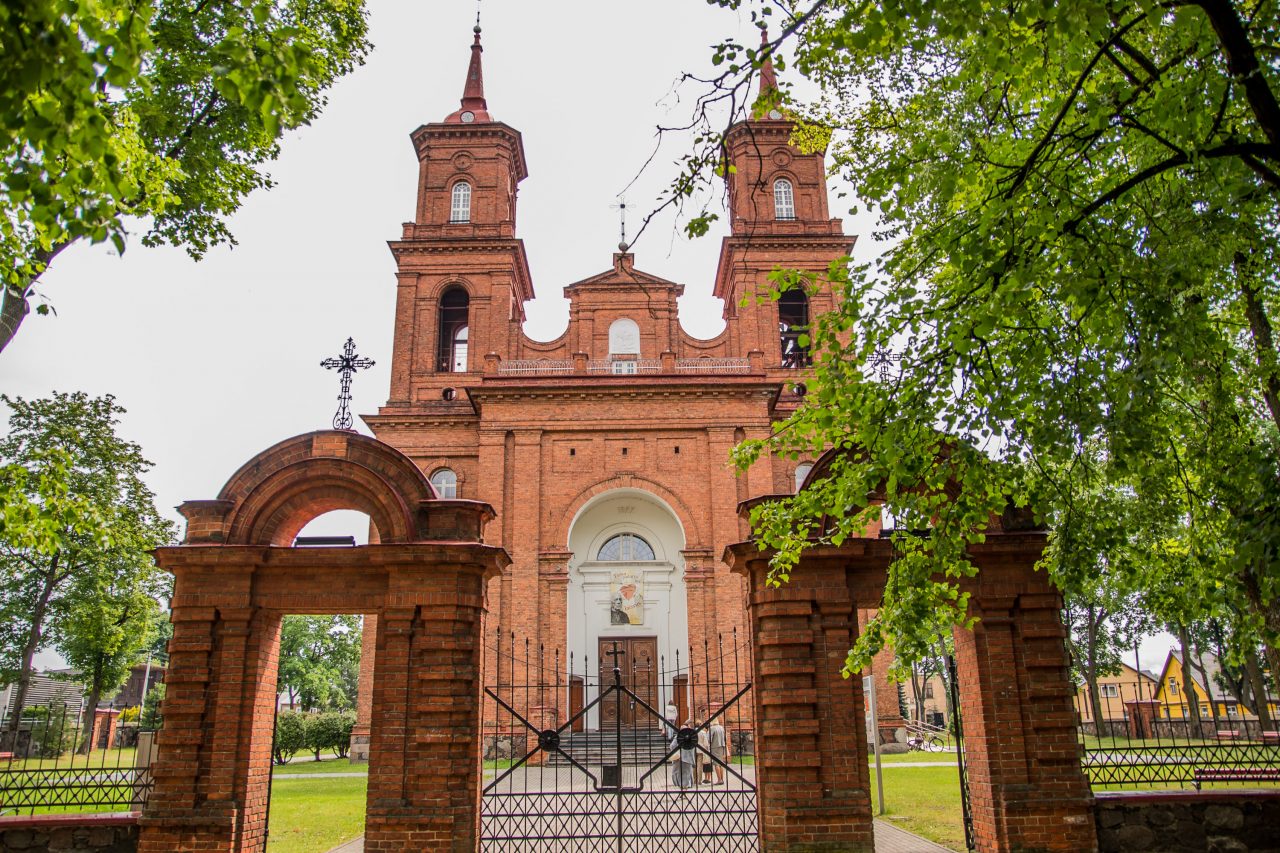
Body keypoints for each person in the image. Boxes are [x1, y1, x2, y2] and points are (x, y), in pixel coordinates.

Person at [669, 720, 695, 792]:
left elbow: (672, 746)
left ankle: (682, 788)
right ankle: (687, 786)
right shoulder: (691, 736)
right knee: (687, 772)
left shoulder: (678, 736)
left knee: (680, 772)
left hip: (680, 757)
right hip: (689, 757)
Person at [709, 718, 729, 784]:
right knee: (721, 763)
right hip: (722, 746)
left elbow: (709, 739)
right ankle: (722, 779)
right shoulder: (721, 727)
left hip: (715, 746)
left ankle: (719, 780)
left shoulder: (712, 728)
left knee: (716, 763)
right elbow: (725, 737)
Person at [697, 720, 712, 784]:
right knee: (699, 766)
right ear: (700, 725)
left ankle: (694, 780)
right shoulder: (702, 732)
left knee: (694, 766)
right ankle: (699, 781)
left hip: (694, 750)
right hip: (701, 751)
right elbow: (706, 744)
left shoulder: (693, 732)